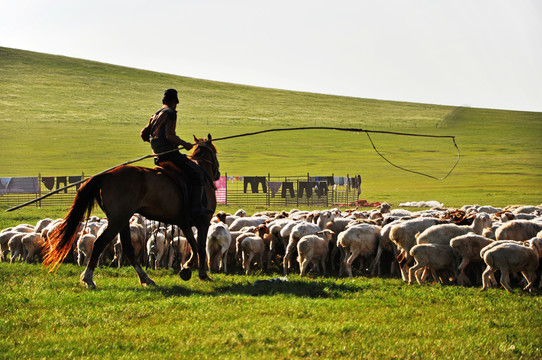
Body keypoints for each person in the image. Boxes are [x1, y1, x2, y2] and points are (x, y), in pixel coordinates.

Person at [140, 88, 212, 217]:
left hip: (158, 157)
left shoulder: (156, 115)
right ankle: (196, 207)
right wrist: (185, 144)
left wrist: (155, 144)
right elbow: (170, 136)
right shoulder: (170, 113)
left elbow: (143, 134)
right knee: (198, 172)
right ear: (175, 101)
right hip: (170, 155)